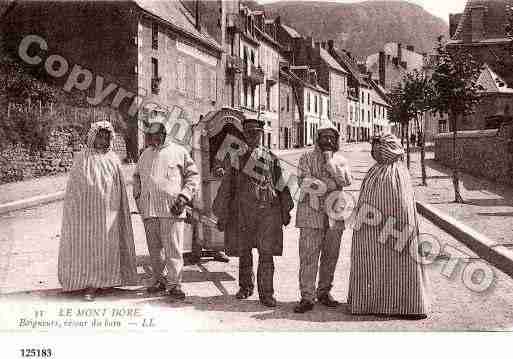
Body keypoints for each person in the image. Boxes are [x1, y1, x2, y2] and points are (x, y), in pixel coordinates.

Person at [212, 118, 294, 307]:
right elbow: (227, 187)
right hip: (243, 212)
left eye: (255, 134)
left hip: (267, 213)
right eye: (248, 134)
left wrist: (285, 210)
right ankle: (245, 287)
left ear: (261, 135)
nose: (252, 137)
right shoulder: (236, 157)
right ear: (244, 135)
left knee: (266, 253)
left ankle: (266, 294)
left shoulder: (271, 158)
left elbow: (281, 184)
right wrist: (223, 213)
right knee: (244, 251)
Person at [347, 134, 429, 319]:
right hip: (372, 229)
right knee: (372, 261)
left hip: (392, 230)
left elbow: (401, 205)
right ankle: (373, 303)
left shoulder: (397, 173)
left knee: (397, 262)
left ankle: (405, 305)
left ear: (386, 149)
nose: (372, 152)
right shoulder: (375, 170)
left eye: (376, 148)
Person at [58, 121, 137, 301]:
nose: (103, 141)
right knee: (88, 246)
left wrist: (119, 209)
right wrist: (77, 211)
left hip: (109, 212)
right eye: (100, 136)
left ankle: (106, 281)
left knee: (107, 246)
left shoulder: (113, 159)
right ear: (92, 137)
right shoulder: (82, 158)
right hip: (86, 214)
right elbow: (74, 189)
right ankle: (88, 283)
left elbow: (120, 188)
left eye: (106, 137)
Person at [133, 119, 200, 301]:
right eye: (150, 134)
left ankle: (175, 285)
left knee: (173, 249)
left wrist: (184, 196)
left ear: (164, 133)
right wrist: (139, 199)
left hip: (172, 209)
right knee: (155, 251)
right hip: (150, 210)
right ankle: (159, 280)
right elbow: (137, 177)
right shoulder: (145, 154)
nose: (152, 138)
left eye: (156, 134)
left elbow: (193, 176)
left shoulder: (179, 152)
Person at [294, 119, 352, 313]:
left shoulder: (341, 160)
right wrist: (329, 185)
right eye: (324, 136)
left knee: (331, 256)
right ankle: (307, 296)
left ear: (336, 139)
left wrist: (329, 164)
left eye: (331, 137)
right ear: (317, 138)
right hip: (311, 214)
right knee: (308, 256)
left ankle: (324, 292)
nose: (328, 140)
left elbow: (346, 180)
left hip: (335, 214)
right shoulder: (306, 158)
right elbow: (304, 181)